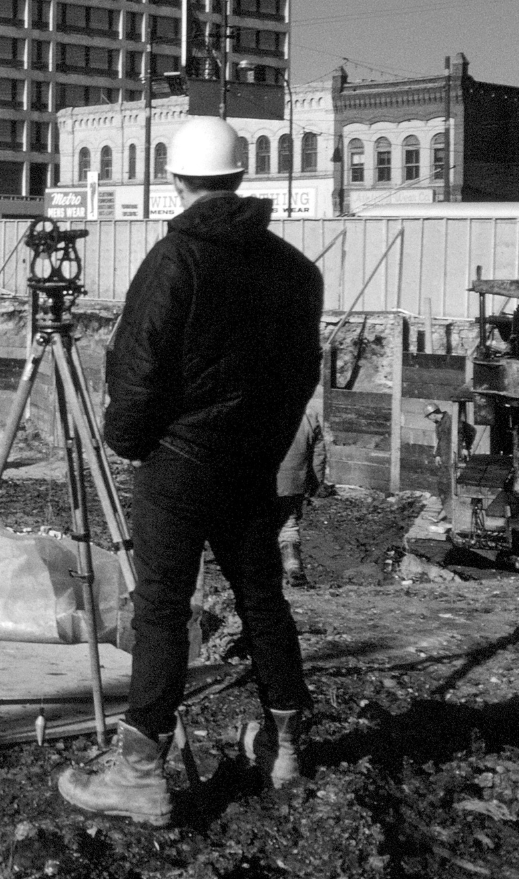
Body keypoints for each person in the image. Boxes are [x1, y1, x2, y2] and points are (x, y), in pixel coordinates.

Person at [57, 116, 323, 826]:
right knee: (263, 599)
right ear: (241, 178)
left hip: (180, 461)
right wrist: (263, 446)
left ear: (176, 180)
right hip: (250, 463)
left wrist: (129, 440)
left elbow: (137, 369)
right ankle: (285, 745)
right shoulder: (296, 270)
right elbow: (301, 377)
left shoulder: (176, 259)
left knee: (162, 609)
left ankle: (141, 772)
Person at [276, 394, 326, 587]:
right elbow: (318, 453)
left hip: (261, 483)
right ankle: (294, 569)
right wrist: (315, 484)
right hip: (294, 483)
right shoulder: (308, 414)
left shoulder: (253, 411)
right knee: (288, 525)